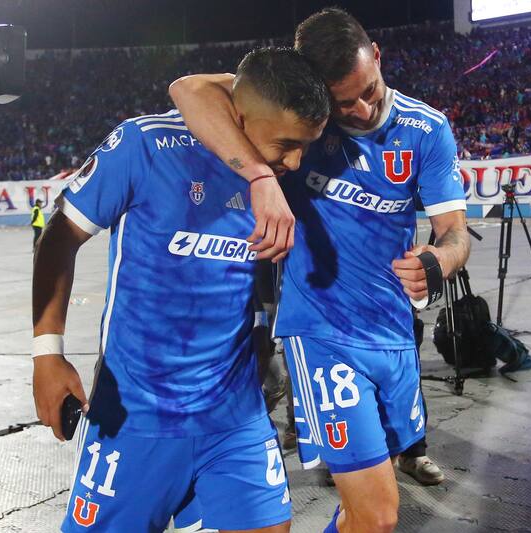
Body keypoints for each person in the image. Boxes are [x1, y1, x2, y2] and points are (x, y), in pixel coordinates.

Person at [170, 9, 471, 532]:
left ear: (376, 55)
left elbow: (455, 233)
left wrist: (437, 260)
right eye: (342, 101)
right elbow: (189, 89)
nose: (359, 109)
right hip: (323, 334)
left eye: (369, 90)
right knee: (378, 515)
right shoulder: (303, 121)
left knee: (364, 514)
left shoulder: (427, 129)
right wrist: (262, 177)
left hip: (395, 334)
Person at [31, 47, 329, 533]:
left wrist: (258, 329)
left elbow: (249, 263)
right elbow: (59, 237)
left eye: (305, 146)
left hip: (233, 412)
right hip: (137, 413)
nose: (296, 162)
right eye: (286, 144)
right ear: (239, 115)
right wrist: (48, 354)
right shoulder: (145, 146)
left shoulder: (273, 176)